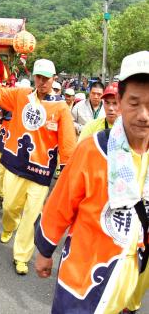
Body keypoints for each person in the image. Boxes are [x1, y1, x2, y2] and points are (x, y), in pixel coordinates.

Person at [35, 50, 149, 313]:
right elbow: (60, 203)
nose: (144, 114)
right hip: (84, 276)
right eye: (134, 103)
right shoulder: (93, 150)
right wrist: (44, 251)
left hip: (128, 275)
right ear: (119, 101)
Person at [0, 58, 76, 275]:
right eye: (39, 77)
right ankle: (8, 225)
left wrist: (67, 173)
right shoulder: (21, 95)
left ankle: (21, 256)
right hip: (16, 163)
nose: (42, 82)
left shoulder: (61, 108)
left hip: (41, 171)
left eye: (47, 78)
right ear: (34, 77)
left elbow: (68, 143)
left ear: (54, 79)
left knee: (31, 216)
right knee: (9, 206)